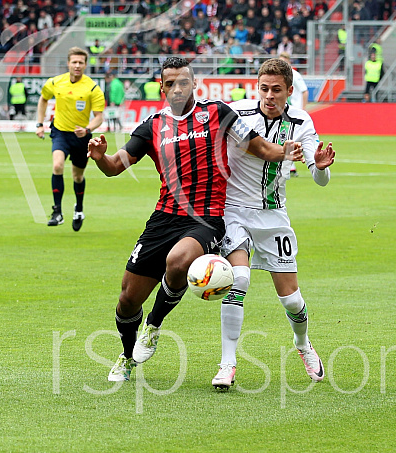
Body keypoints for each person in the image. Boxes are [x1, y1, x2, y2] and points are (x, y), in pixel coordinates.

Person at [86, 56, 303, 382]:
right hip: (163, 218)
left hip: (205, 219)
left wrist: (286, 150)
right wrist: (100, 157)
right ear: (162, 87)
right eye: (170, 83)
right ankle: (127, 354)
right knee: (128, 299)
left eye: (183, 82)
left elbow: (261, 149)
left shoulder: (218, 113)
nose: (177, 89)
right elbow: (116, 166)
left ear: (193, 84)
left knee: (179, 261)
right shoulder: (153, 125)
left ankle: (154, 325)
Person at [214, 58, 335, 389]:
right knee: (237, 280)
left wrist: (321, 167)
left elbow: (319, 176)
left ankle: (303, 344)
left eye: (277, 90)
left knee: (291, 299)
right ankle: (227, 363)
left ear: (290, 91)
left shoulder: (301, 122)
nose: (269, 96)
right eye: (264, 88)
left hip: (273, 215)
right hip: (234, 211)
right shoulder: (237, 113)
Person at [36, 47, 105, 231]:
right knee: (57, 165)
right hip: (60, 132)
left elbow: (99, 116)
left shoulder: (92, 88)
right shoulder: (56, 82)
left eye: (80, 62)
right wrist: (39, 124)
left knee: (77, 175)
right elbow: (43, 99)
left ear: (85, 65)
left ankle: (79, 209)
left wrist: (88, 129)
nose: (77, 65)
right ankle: (57, 211)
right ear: (68, 63)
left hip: (81, 137)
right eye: (74, 62)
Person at [279, 52, 308, 177]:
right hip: (285, 112)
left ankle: (292, 166)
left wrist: (303, 109)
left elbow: (304, 91)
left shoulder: (295, 75)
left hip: (294, 112)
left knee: (289, 138)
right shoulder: (281, 76)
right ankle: (291, 167)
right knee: (287, 138)